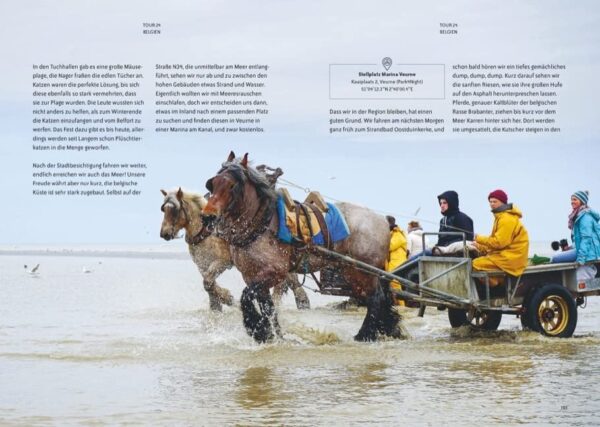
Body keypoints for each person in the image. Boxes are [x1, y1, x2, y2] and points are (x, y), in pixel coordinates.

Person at [472, 189, 529, 285]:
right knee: (479, 259)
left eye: (495, 201)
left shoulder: (506, 218)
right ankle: (498, 283)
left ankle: (496, 284)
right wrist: (479, 246)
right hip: (506, 255)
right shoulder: (500, 217)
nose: (492, 204)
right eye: (490, 201)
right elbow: (495, 242)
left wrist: (478, 238)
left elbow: (499, 243)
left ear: (503, 202)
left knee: (475, 264)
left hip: (512, 258)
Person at [569, 191, 600, 281]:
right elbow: (579, 240)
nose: (572, 202)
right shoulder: (578, 215)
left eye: (575, 199)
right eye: (571, 200)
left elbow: (586, 239)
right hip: (583, 250)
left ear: (582, 201)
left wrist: (581, 258)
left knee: (555, 258)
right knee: (558, 256)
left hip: (589, 253)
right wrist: (570, 247)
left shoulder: (585, 217)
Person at [385, 216, 408, 305]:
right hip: (393, 263)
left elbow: (390, 246)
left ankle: (402, 307)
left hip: (398, 263)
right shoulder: (392, 234)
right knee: (393, 285)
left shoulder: (398, 234)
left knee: (395, 284)